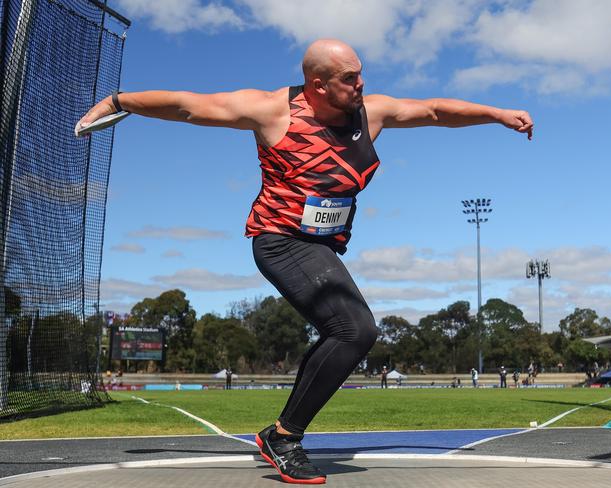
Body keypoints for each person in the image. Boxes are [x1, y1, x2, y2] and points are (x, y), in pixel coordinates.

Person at [77, 38, 533, 485]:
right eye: (349, 78)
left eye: (360, 73)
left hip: (321, 247)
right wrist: (120, 101)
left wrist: (496, 115)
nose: (361, 84)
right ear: (317, 84)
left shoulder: (368, 113)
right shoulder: (272, 111)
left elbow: (435, 111)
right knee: (357, 330)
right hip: (279, 240)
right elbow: (187, 105)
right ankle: (284, 436)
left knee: (349, 332)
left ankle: (281, 433)